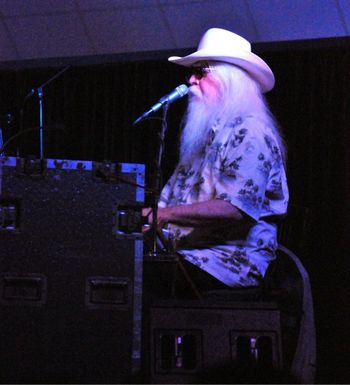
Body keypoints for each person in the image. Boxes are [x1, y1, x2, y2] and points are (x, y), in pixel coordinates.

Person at [143, 27, 289, 295]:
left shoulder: (250, 132)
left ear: (229, 80)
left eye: (201, 72)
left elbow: (235, 209)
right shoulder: (204, 138)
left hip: (228, 262)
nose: (190, 80)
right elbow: (166, 204)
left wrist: (163, 215)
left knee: (142, 282)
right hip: (188, 254)